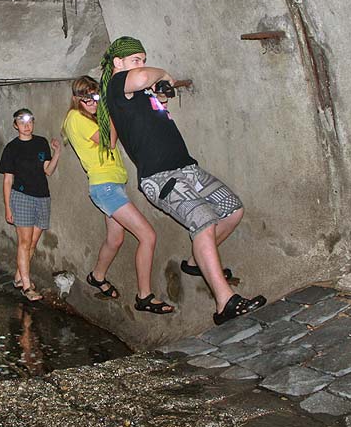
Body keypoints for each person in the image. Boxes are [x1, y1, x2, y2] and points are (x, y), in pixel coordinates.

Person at [96, 36, 266, 324]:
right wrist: (162, 73)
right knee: (204, 223)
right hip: (161, 177)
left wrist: (159, 99)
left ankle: (196, 262)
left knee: (233, 210)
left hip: (187, 168)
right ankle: (224, 303)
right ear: (118, 63)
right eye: (136, 59)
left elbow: (153, 116)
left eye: (144, 59)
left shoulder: (140, 94)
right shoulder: (116, 85)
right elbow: (140, 77)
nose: (141, 64)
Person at [61, 76, 169, 313]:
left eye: (95, 97)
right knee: (148, 236)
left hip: (112, 184)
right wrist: (111, 108)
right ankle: (144, 296)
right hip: (105, 187)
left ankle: (97, 276)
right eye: (86, 98)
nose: (92, 102)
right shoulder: (75, 118)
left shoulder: (88, 117)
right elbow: (109, 141)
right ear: (76, 99)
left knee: (115, 239)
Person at [0, 108, 61, 301]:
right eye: (22, 122)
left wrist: (57, 153)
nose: (26, 126)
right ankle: (26, 286)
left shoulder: (41, 143)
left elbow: (48, 170)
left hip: (42, 197)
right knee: (24, 243)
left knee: (32, 242)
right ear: (15, 125)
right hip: (22, 197)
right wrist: (8, 207)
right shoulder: (11, 148)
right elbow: (8, 180)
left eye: (29, 121)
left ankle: (19, 277)